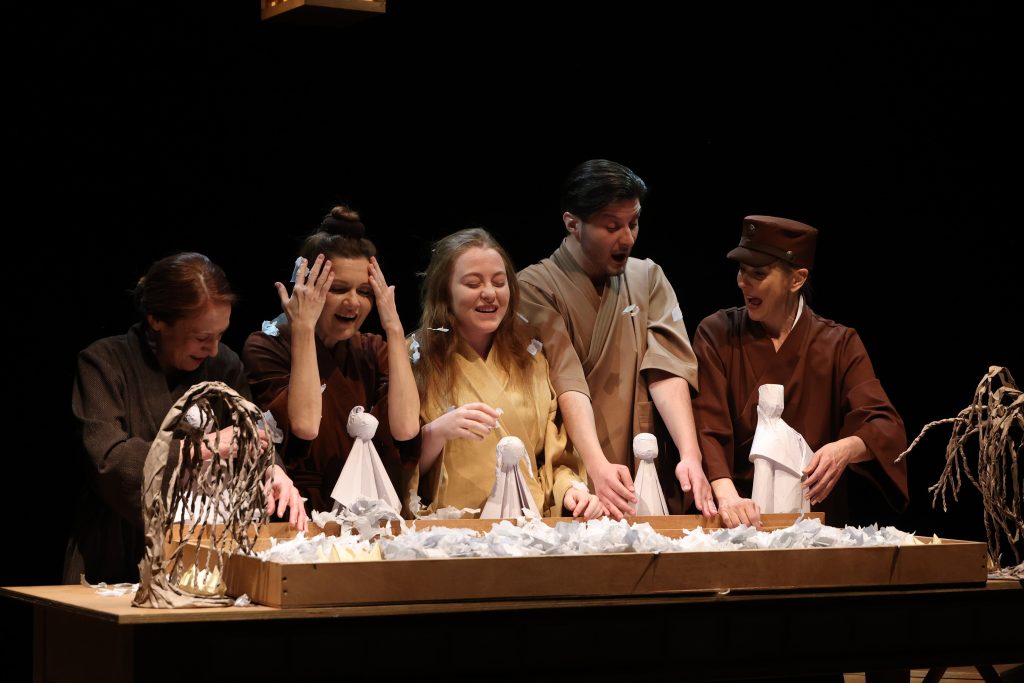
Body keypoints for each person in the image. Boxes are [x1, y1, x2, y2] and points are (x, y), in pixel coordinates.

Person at [69, 252, 305, 584]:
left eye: (220, 336)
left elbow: (250, 433)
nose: (213, 349)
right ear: (156, 319)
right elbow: (108, 460)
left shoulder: (223, 364)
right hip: (118, 550)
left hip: (205, 548)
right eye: (202, 338)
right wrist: (205, 447)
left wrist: (272, 469)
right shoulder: (104, 363)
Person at [518, 159, 716, 519]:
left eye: (633, 223)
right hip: (572, 467)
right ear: (573, 224)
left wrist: (690, 454)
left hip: (636, 457)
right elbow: (565, 377)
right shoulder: (534, 287)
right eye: (611, 226)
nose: (627, 238)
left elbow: (667, 369)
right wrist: (596, 465)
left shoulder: (648, 278)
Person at [692, 215, 908, 528]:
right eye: (741, 270)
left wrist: (844, 449)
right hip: (736, 519)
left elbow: (884, 425)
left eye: (758, 273)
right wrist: (726, 494)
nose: (742, 282)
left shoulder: (838, 344)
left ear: (797, 279)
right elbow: (706, 425)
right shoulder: (717, 333)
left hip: (814, 524)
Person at [410, 228, 602, 518]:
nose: (489, 293)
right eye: (473, 283)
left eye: (499, 282)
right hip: (451, 530)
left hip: (527, 525)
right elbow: (397, 467)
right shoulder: (416, 357)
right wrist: (436, 433)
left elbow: (553, 458)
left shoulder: (532, 358)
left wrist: (570, 490)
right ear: (444, 291)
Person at [243, 206, 419, 514]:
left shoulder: (373, 349)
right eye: (338, 289)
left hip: (370, 511)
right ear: (308, 288)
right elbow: (305, 426)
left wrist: (393, 326)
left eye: (364, 291)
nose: (353, 302)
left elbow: (406, 429)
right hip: (298, 512)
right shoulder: (267, 346)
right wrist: (303, 329)